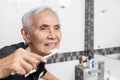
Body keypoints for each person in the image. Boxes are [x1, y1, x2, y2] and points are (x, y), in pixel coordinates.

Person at [0, 6, 62, 80]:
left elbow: (42, 72)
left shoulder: (38, 55)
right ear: (26, 34)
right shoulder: (8, 54)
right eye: (43, 29)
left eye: (56, 28)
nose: (53, 36)